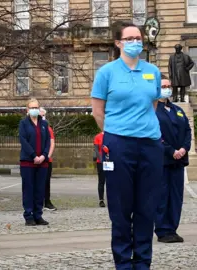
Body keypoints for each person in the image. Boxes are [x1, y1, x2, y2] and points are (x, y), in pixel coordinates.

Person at [91, 21, 163, 269]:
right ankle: (123, 262)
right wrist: (116, 132)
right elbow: (98, 112)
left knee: (147, 205)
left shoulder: (152, 71)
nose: (136, 42)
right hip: (118, 144)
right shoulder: (106, 72)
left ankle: (143, 261)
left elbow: (152, 105)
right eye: (130, 38)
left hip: (150, 144)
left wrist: (142, 128)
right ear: (118, 42)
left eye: (138, 38)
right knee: (121, 207)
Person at [154, 75, 192, 243]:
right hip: (161, 161)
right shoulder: (152, 109)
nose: (167, 88)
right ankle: (162, 230)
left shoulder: (177, 109)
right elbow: (154, 134)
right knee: (162, 196)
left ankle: (172, 229)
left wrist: (184, 148)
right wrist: (171, 151)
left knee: (176, 197)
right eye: (163, 86)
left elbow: (187, 131)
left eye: (169, 85)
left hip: (178, 161)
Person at [19, 99, 51, 226]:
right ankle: (28, 215)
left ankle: (38, 215)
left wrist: (43, 155)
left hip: (42, 162)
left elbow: (48, 142)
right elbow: (23, 140)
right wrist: (33, 155)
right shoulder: (23, 123)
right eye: (32, 107)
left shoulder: (44, 124)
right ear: (27, 109)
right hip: (28, 161)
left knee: (40, 189)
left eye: (36, 107)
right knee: (28, 189)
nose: (34, 109)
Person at [40, 108, 56, 211]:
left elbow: (52, 143)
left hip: (46, 160)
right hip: (35, 159)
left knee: (46, 182)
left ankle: (47, 201)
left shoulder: (48, 128)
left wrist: (47, 156)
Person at [93, 131, 106, 207]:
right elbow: (96, 150)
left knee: (112, 182)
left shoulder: (112, 136)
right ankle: (101, 200)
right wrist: (101, 160)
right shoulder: (98, 137)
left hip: (111, 161)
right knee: (101, 181)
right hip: (101, 162)